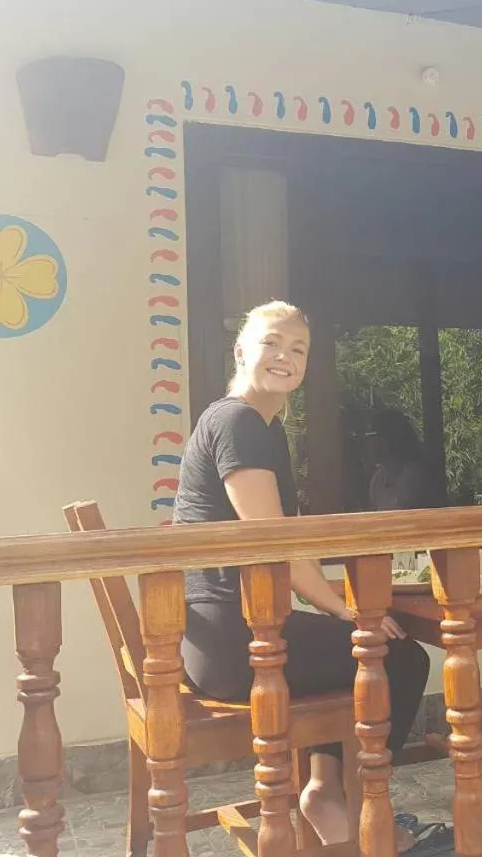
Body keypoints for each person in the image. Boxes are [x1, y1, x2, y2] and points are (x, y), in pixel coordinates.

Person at [173, 300, 440, 853]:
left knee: (366, 645)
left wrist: (340, 610)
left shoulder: (264, 429)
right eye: (272, 343)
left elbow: (292, 544)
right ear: (241, 351)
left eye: (298, 349)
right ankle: (347, 805)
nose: (285, 357)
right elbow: (275, 543)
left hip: (232, 634)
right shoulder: (238, 422)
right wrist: (349, 612)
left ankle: (326, 793)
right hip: (232, 642)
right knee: (400, 657)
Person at [366, 409, 443, 511]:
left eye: (372, 436)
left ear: (389, 438)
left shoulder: (414, 476)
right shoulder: (378, 479)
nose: (368, 443)